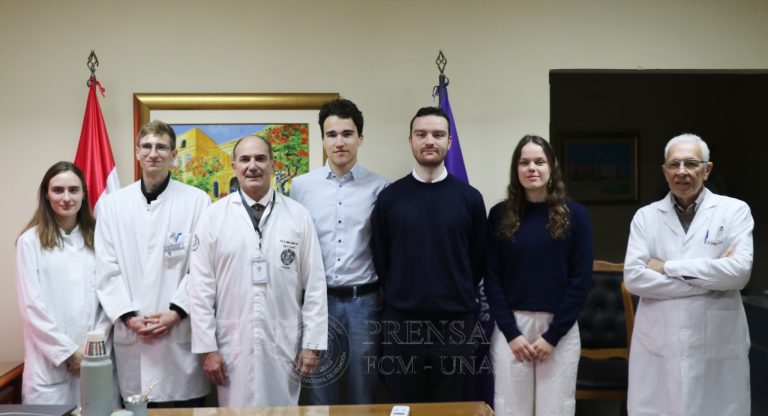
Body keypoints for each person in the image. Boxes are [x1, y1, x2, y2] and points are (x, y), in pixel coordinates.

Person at [188, 134, 327, 407]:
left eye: (261, 158)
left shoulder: (298, 216)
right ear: (235, 166)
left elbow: (315, 286)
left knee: (283, 410)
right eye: (245, 159)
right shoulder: (213, 217)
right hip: (232, 344)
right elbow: (200, 289)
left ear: (273, 165)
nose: (253, 166)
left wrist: (311, 345)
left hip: (283, 342)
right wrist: (207, 348)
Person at [624, 133, 753, 416]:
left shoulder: (734, 211)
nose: (681, 171)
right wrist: (710, 281)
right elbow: (634, 279)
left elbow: (739, 273)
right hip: (659, 344)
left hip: (717, 345)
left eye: (691, 164)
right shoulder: (646, 217)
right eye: (675, 164)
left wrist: (668, 268)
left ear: (707, 170)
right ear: (665, 170)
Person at [370, 106, 486, 403]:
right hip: (402, 324)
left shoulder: (470, 199)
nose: (429, 140)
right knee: (404, 407)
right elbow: (382, 259)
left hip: (455, 325)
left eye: (437, 134)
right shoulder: (390, 198)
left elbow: (477, 259)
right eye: (421, 134)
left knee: (451, 408)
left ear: (449, 141)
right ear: (410, 140)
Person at [95, 120, 211, 406]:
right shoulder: (113, 205)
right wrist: (127, 316)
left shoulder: (197, 201)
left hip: (178, 336)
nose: (153, 153)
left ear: (173, 154)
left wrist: (176, 312)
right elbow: (106, 269)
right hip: (131, 334)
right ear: (136, 152)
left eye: (161, 147)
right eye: (146, 146)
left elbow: (202, 267)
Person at [484, 135, 593, 416]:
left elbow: (581, 280)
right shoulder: (499, 214)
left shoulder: (576, 216)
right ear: (516, 169)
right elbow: (492, 278)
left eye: (539, 162)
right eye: (524, 162)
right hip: (512, 329)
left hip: (559, 329)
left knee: (555, 409)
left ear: (551, 167)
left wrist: (552, 336)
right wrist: (512, 333)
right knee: (510, 409)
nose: (532, 168)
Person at [290, 99, 388, 405]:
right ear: (322, 139)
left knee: (364, 389)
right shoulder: (302, 188)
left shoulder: (380, 187)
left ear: (360, 138)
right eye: (332, 134)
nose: (340, 141)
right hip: (318, 304)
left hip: (365, 303)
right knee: (321, 388)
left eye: (347, 133)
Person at [15, 161, 110, 404]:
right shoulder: (30, 242)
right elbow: (31, 308)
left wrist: (90, 352)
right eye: (58, 190)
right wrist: (68, 353)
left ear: (84, 194)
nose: (66, 197)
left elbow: (110, 297)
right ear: (46, 195)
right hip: (48, 370)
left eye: (73, 190)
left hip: (95, 360)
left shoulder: (101, 237)